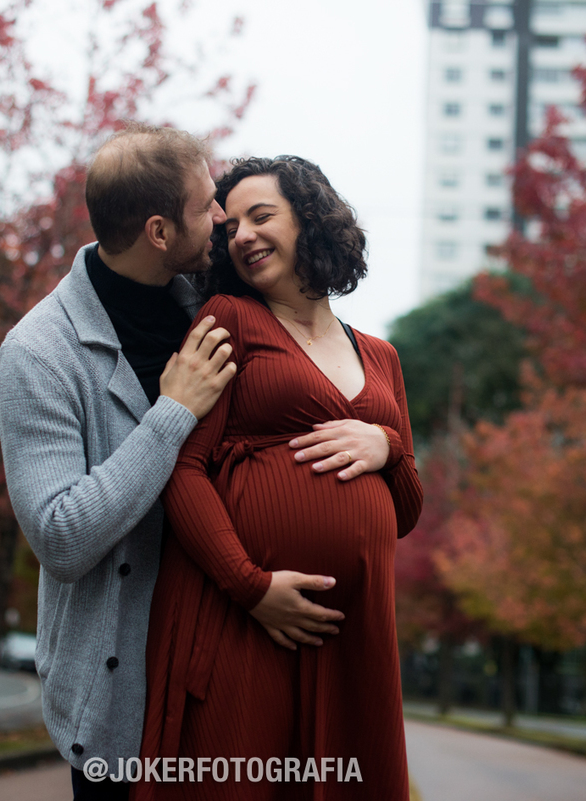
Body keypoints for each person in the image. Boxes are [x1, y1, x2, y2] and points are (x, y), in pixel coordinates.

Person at [0, 127, 395, 801]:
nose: (223, 222)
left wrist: (383, 439)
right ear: (158, 230)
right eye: (210, 206)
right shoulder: (39, 351)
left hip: (232, 656)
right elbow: (61, 536)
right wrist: (172, 412)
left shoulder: (215, 307)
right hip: (120, 688)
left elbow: (318, 359)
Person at [136, 156, 425, 800]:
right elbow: (181, 468)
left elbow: (405, 512)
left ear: (313, 222)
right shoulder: (228, 321)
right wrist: (251, 587)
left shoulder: (382, 357)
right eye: (230, 225)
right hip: (246, 617)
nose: (241, 234)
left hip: (353, 632)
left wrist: (387, 444)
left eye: (261, 216)